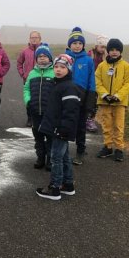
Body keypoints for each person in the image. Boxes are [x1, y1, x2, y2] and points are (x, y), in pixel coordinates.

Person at [36, 54, 80, 201]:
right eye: (56, 67)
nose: (58, 70)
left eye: (62, 67)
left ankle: (55, 188)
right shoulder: (58, 85)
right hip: (56, 127)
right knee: (64, 157)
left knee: (56, 158)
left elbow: (71, 112)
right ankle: (68, 184)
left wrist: (63, 130)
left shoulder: (69, 87)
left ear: (69, 69)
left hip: (61, 129)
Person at [95, 39, 129, 162]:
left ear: (120, 51)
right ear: (108, 51)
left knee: (118, 125)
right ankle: (107, 146)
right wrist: (105, 95)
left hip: (119, 102)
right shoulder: (101, 66)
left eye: (117, 50)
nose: (114, 52)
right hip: (105, 101)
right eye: (112, 50)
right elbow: (97, 82)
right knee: (106, 125)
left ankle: (119, 148)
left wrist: (118, 96)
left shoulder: (126, 66)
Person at [65, 27, 96, 165]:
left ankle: (80, 151)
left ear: (83, 45)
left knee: (81, 127)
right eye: (74, 43)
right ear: (69, 44)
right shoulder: (65, 58)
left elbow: (91, 81)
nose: (77, 46)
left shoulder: (88, 60)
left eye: (80, 43)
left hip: (82, 98)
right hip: (67, 97)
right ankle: (63, 152)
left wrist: (90, 100)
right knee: (65, 125)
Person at [23, 44, 55, 170]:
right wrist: (28, 101)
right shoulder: (32, 73)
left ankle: (50, 160)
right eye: (39, 56)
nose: (42, 58)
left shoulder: (54, 72)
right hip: (35, 111)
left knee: (50, 137)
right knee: (38, 137)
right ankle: (40, 157)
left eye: (45, 56)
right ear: (36, 59)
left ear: (50, 58)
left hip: (50, 113)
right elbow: (26, 89)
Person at [17, 30, 42, 127]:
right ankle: (30, 118)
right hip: (28, 80)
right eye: (32, 37)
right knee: (29, 99)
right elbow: (19, 63)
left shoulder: (44, 50)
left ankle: (39, 118)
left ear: (40, 39)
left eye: (36, 37)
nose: (34, 39)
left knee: (40, 99)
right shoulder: (25, 51)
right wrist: (22, 74)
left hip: (40, 80)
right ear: (29, 39)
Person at [86, 35, 109, 132]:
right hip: (90, 82)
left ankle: (91, 120)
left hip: (99, 83)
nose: (103, 49)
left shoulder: (106, 57)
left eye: (105, 47)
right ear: (96, 46)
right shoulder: (90, 55)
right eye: (102, 46)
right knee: (88, 102)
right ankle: (85, 119)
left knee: (95, 103)